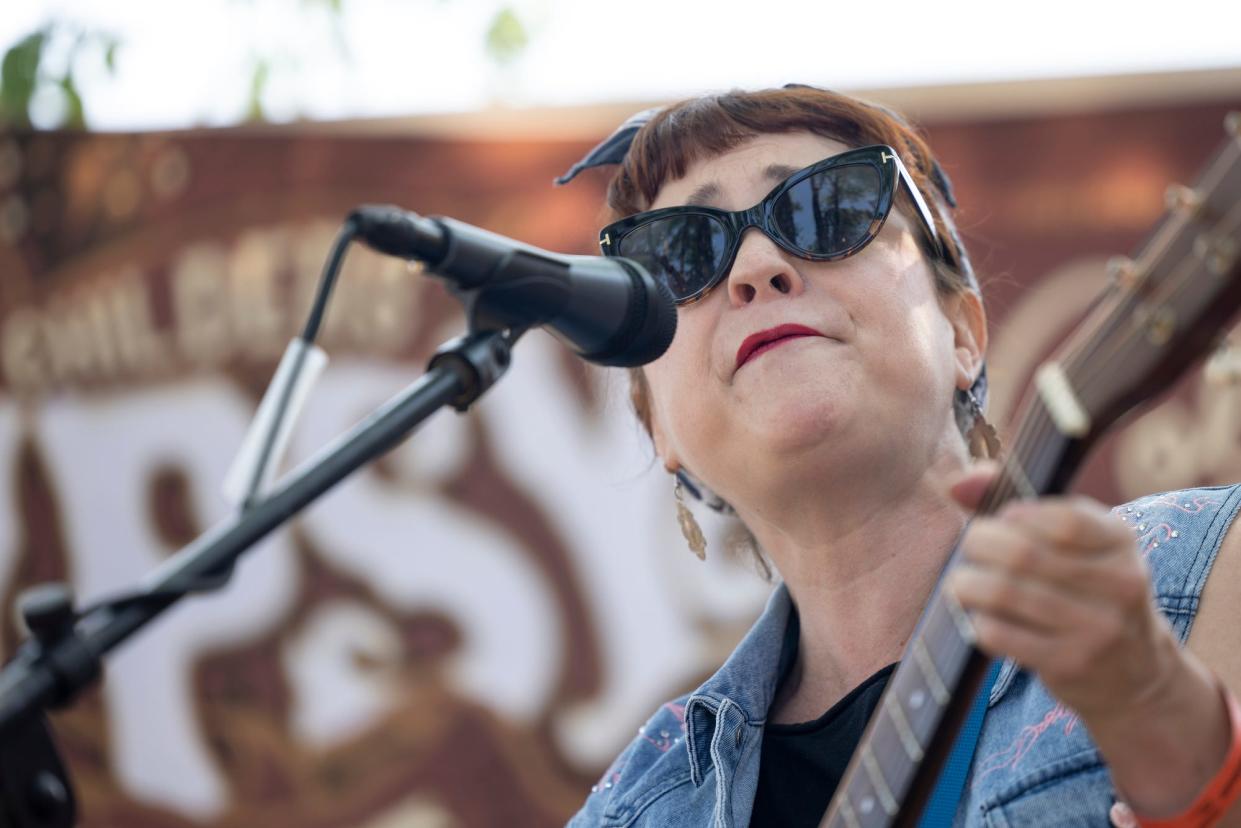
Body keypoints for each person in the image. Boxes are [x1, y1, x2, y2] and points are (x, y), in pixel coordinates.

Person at [556, 86, 1241, 827]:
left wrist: (1157, 707)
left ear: (961, 333)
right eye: (681, 255)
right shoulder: (634, 808)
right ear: (658, 426)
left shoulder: (1205, 571)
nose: (755, 265)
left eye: (826, 209)